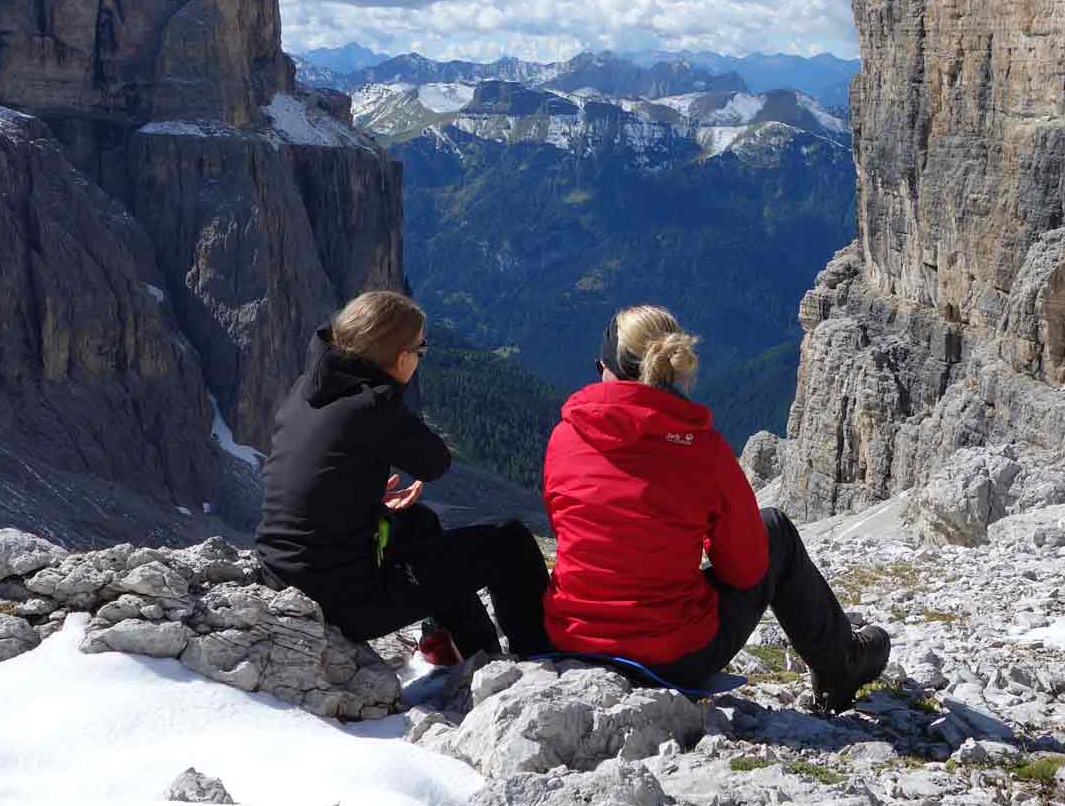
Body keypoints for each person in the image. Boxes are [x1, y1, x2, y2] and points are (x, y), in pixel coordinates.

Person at [541, 304, 890, 710]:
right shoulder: (702, 449)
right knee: (773, 528)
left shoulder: (565, 436)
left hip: (571, 641)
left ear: (608, 369)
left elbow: (570, 530)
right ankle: (840, 665)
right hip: (675, 658)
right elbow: (745, 568)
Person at [254, 289, 551, 666]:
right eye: (420, 352)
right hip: (342, 602)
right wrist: (397, 396)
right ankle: (542, 660)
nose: (420, 360)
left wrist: (365, 498)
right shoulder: (374, 405)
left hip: (281, 576)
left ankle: (473, 651)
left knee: (418, 523)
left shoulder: (307, 388)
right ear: (400, 356)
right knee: (509, 542)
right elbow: (435, 462)